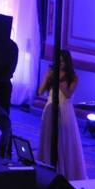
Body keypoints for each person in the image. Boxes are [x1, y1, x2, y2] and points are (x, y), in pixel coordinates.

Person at [37, 50, 87, 180]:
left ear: (67, 62)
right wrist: (47, 78)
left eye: (63, 61)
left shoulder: (73, 76)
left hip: (64, 110)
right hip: (50, 108)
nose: (60, 63)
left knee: (64, 139)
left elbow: (69, 94)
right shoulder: (51, 73)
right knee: (48, 137)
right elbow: (40, 91)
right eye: (58, 60)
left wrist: (60, 83)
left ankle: (65, 170)